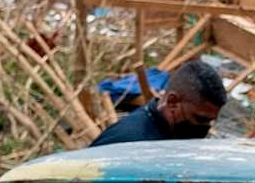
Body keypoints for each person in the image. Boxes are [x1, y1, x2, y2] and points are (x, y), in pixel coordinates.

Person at [91, 57, 226, 145]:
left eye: (210, 121)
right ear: (172, 101)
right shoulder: (129, 142)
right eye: (199, 119)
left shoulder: (169, 135)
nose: (205, 128)